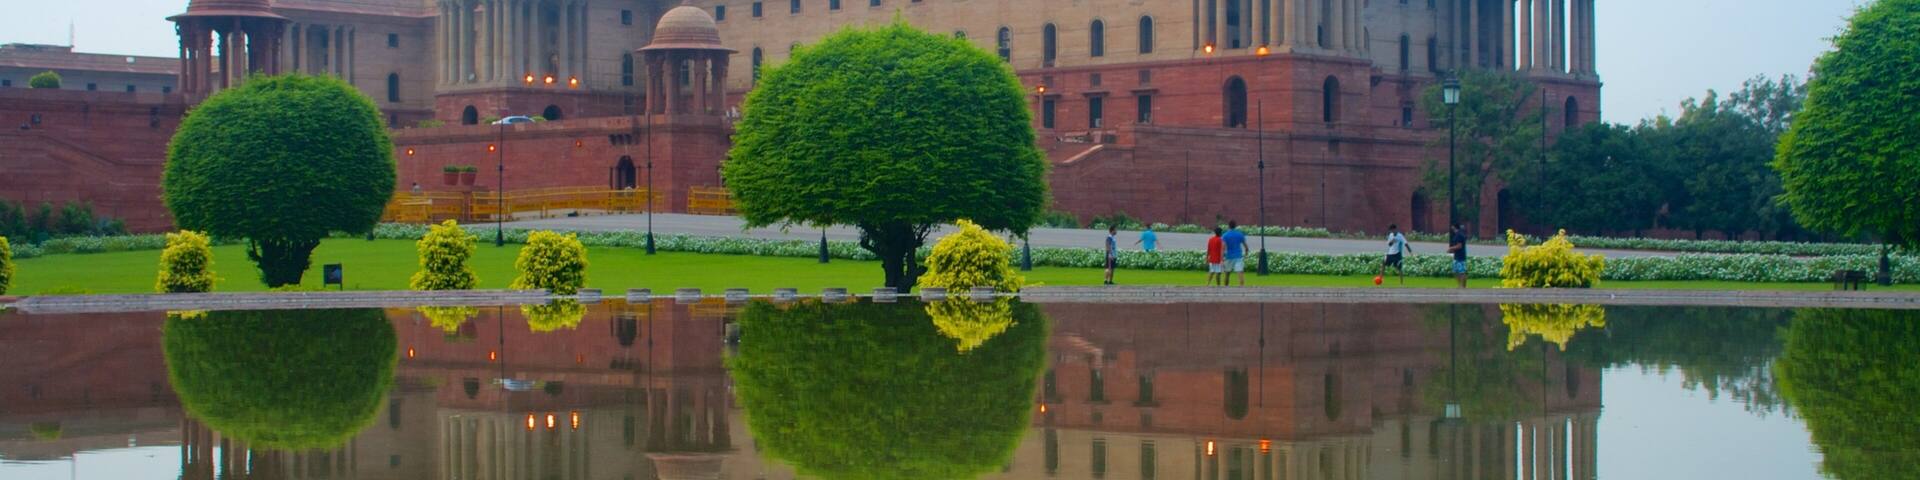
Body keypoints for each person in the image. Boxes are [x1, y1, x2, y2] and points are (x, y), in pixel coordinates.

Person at [1222, 221, 1250, 286]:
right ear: (1235, 226)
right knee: (1240, 273)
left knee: (1227, 274)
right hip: (1238, 256)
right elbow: (1245, 246)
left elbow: (1223, 248)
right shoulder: (1240, 234)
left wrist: (1222, 257)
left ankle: (1225, 288)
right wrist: (1246, 253)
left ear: (1228, 226)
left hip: (1229, 256)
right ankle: (1242, 288)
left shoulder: (1225, 235)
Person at [1447, 224, 1469, 288]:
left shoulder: (1459, 235)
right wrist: (1453, 250)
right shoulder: (1458, 234)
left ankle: (1463, 286)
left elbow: (1459, 246)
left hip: (1460, 256)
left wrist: (1451, 248)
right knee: (1455, 271)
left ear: (1454, 227)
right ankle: (1460, 285)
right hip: (1457, 256)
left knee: (1461, 272)